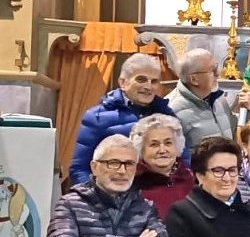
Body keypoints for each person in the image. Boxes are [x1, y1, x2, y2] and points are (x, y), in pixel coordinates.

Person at [69, 53, 186, 185]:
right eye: (141, 80)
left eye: (154, 81)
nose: (148, 86)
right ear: (123, 83)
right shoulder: (97, 117)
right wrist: (98, 199)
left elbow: (183, 160)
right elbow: (79, 169)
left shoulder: (168, 115)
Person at [166, 48, 250, 149]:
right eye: (212, 70)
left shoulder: (218, 99)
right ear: (194, 79)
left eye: (217, 68)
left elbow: (235, 134)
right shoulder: (171, 110)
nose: (218, 74)